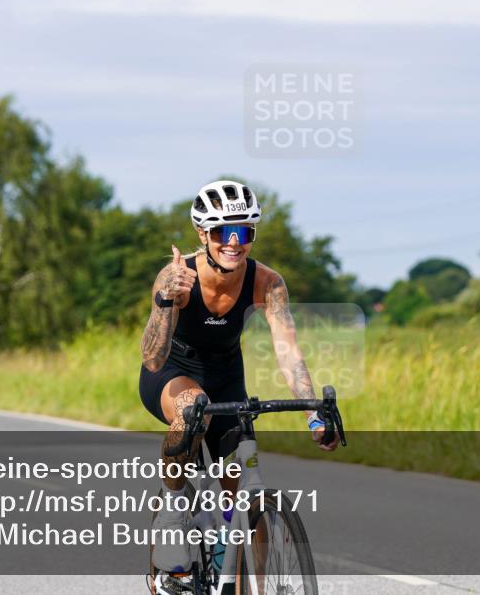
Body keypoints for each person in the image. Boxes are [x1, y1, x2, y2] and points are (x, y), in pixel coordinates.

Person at [139, 179, 338, 578]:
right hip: (174, 374)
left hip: (227, 375)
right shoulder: (177, 277)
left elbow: (287, 350)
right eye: (221, 232)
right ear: (202, 234)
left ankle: (252, 581)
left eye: (243, 231)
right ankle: (175, 507)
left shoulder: (267, 281)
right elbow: (153, 358)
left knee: (245, 492)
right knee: (194, 409)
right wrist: (165, 298)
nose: (233, 242)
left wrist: (314, 414)